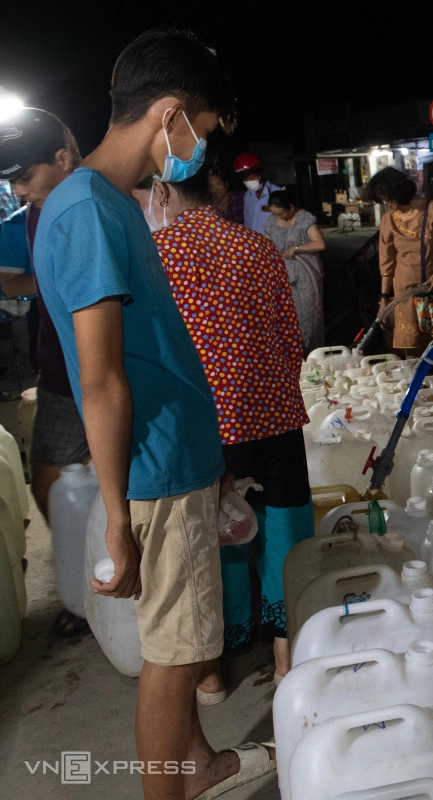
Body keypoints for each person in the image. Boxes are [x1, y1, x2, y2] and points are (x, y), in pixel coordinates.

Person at [31, 29, 275, 799]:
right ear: (168, 113)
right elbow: (99, 382)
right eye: (199, 132)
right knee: (175, 656)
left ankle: (196, 762)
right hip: (155, 470)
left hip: (178, 456)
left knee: (185, 635)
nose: (196, 150)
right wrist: (116, 519)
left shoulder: (110, 202)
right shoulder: (90, 214)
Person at [145, 164, 313, 698]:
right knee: (282, 525)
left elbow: (158, 357)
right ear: (215, 191)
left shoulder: (158, 255)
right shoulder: (258, 248)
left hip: (205, 428)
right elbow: (292, 340)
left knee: (206, 540)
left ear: (163, 192)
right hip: (274, 417)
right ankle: (286, 653)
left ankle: (213, 668)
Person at [0, 107, 92, 638]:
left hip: (107, 369)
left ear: (63, 157)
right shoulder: (29, 215)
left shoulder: (96, 204)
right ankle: (84, 577)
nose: (20, 193)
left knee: (124, 485)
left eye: (27, 179)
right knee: (51, 480)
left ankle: (112, 575)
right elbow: (17, 282)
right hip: (59, 367)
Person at [366, 166, 433, 384]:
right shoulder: (389, 219)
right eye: (381, 199)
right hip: (404, 294)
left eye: (385, 196)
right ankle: (417, 399)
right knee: (411, 350)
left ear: (396, 190)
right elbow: (387, 264)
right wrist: (383, 300)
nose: (385, 203)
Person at [264, 188, 325, 353]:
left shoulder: (304, 219)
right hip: (283, 275)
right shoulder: (271, 221)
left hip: (306, 274)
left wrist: (297, 248)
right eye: (275, 214)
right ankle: (296, 353)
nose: (278, 217)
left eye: (281, 214)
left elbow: (319, 244)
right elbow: (268, 244)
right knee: (291, 316)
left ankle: (313, 350)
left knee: (310, 315)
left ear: (291, 208)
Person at [234, 151, 279, 235]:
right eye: (246, 179)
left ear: (261, 174)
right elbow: (247, 222)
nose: (249, 181)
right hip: (254, 243)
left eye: (252, 177)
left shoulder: (278, 193)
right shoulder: (247, 196)